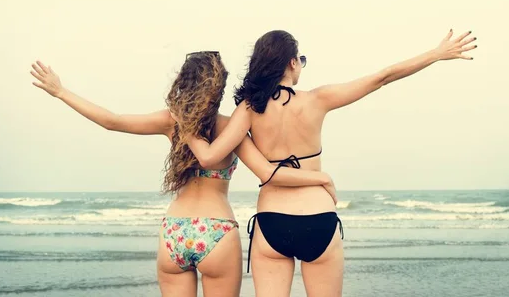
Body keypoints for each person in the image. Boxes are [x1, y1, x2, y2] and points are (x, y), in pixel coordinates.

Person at [183, 29, 478, 297]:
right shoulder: (318, 99)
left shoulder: (249, 108)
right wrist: (436, 54)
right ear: (292, 63)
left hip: (272, 222)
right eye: (301, 59)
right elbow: (382, 77)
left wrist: (182, 119)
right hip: (318, 218)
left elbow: (209, 157)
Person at [30, 51, 336, 297]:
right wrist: (319, 177)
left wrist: (61, 91)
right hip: (216, 233)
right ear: (218, 87)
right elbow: (269, 172)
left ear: (184, 83)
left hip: (174, 232)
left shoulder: (171, 121)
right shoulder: (233, 127)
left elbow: (113, 121)